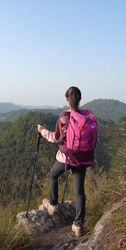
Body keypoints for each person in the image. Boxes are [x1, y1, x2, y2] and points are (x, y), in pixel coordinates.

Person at [37, 86, 93, 238]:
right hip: (82, 159)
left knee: (53, 175)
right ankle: (78, 226)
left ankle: (53, 205)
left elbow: (56, 137)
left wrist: (42, 130)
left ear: (67, 99)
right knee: (80, 193)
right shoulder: (87, 117)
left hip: (66, 158)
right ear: (80, 99)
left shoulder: (65, 116)